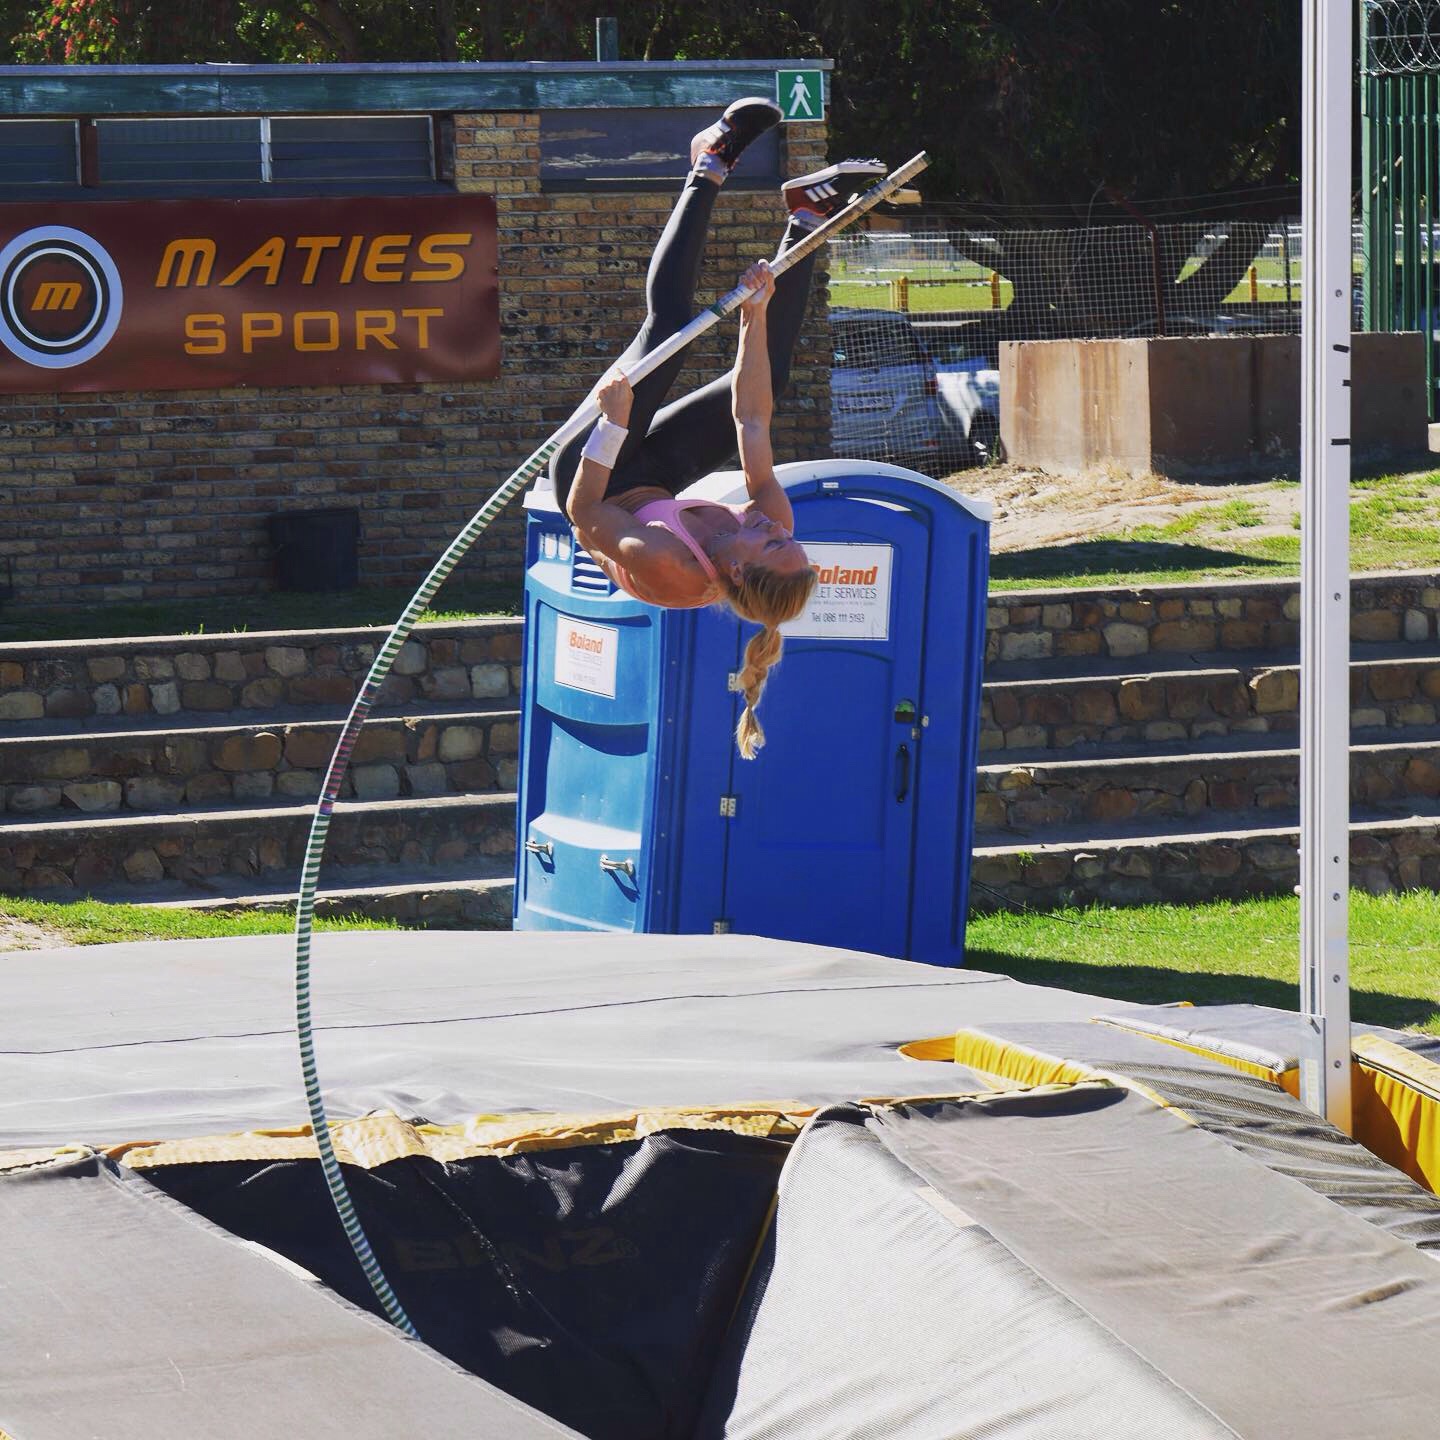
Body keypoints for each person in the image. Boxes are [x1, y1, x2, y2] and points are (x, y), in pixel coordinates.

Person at [554, 96, 885, 758]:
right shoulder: (772, 527)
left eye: (769, 541)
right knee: (774, 378)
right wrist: (753, 319)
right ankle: (806, 215)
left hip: (594, 478)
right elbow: (752, 419)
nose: (774, 526)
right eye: (786, 538)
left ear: (734, 568)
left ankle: (708, 161)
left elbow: (584, 512)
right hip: (657, 482)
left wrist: (613, 425)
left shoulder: (671, 567)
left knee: (668, 331)